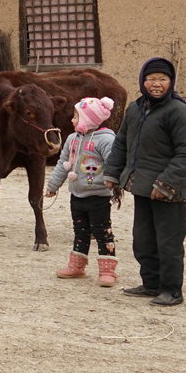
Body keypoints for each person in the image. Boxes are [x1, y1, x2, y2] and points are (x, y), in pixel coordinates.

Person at [104, 57, 186, 307]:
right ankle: (151, 284)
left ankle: (171, 290)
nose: (156, 84)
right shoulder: (135, 109)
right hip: (142, 186)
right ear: (143, 81)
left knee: (168, 242)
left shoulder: (178, 111)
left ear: (171, 82)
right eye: (151, 79)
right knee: (143, 240)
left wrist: (165, 183)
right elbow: (122, 142)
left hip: (170, 191)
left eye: (162, 79)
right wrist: (112, 173)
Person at [46, 96, 119, 286]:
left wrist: (112, 181)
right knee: (80, 231)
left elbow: (113, 163)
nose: (72, 120)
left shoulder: (106, 140)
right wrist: (53, 186)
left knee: (103, 232)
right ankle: (77, 266)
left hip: (99, 196)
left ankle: (107, 270)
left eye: (76, 116)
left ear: (89, 119)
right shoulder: (72, 139)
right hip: (76, 195)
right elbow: (63, 164)